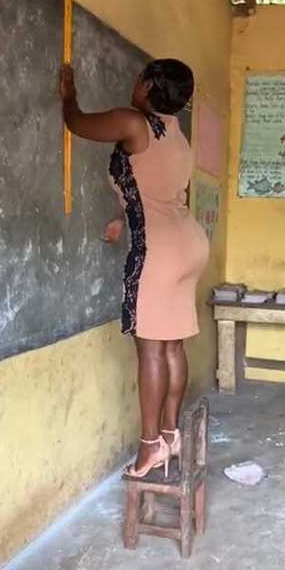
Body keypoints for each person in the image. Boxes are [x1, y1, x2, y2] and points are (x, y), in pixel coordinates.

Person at [59, 58, 209, 478]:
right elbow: (156, 190)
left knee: (150, 349)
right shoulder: (179, 136)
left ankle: (149, 448)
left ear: (146, 85)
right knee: (173, 344)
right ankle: (170, 433)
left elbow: (76, 123)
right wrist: (124, 216)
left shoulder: (132, 122)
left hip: (158, 251)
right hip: (189, 243)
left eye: (139, 75)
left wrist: (68, 92)